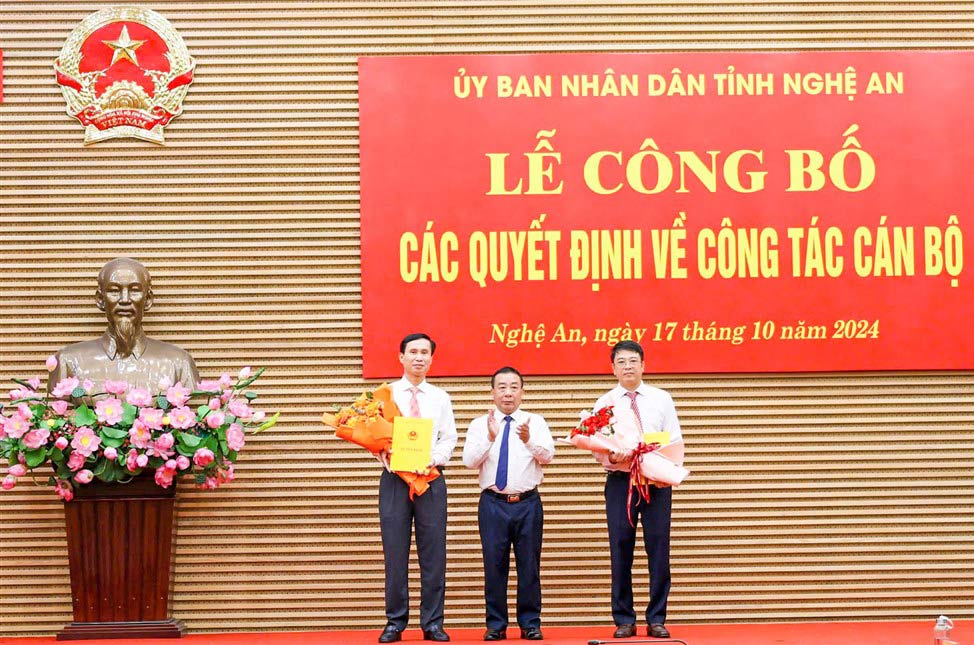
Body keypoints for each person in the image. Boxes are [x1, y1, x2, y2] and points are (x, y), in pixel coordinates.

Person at [594, 340, 682, 640]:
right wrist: (610, 456)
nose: (627, 367)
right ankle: (624, 618)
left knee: (659, 549)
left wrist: (665, 469)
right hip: (621, 482)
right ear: (613, 368)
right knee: (620, 548)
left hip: (656, 483)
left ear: (643, 365)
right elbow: (597, 445)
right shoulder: (604, 402)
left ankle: (657, 617)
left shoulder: (661, 399)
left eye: (633, 361)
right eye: (621, 362)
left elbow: (673, 440)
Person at [462, 367, 554, 642]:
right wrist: (490, 438)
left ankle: (530, 623)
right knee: (494, 565)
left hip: (527, 504)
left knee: (529, 566)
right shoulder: (480, 424)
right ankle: (496, 624)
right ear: (492, 393)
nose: (508, 392)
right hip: (493, 504)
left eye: (514, 387)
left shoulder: (535, 422)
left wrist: (529, 441)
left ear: (522, 392)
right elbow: (469, 462)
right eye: (502, 387)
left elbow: (548, 456)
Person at [377, 333, 457, 643]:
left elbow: (448, 438)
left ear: (431, 359)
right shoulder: (385, 394)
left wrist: (433, 460)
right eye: (413, 352)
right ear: (401, 357)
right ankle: (395, 622)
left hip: (431, 480)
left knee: (433, 554)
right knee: (395, 553)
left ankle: (433, 623)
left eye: (425, 352)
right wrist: (381, 452)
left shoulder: (440, 397)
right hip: (395, 481)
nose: (419, 357)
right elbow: (374, 435)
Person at [49, 257, 198, 395]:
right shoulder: (67, 361)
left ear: (148, 300)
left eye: (135, 290)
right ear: (100, 299)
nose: (125, 300)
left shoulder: (178, 363)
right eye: (114, 291)